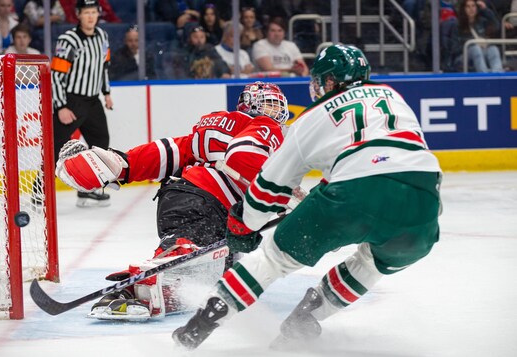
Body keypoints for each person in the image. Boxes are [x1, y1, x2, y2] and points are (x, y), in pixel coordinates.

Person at [173, 44, 442, 350]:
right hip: (424, 204)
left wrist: (245, 224)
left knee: (273, 259)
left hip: (351, 196)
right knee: (372, 263)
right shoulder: (394, 97)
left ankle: (199, 326)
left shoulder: (314, 116)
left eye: (319, 80)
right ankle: (307, 317)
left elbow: (268, 190)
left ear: (329, 82)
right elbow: (389, 157)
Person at [53, 81, 290, 321]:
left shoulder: (216, 125)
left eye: (277, 107)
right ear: (248, 105)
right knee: (182, 250)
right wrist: (276, 194)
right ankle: (133, 289)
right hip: (208, 202)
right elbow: (245, 155)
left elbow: (171, 151)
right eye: (268, 105)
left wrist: (123, 166)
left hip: (180, 196)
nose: (274, 113)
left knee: (214, 273)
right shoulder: (264, 126)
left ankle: (152, 286)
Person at [47, 0, 114, 207]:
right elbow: (56, 75)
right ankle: (39, 192)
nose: (91, 16)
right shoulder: (68, 40)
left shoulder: (102, 36)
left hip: (93, 101)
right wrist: (60, 106)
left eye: (94, 12)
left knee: (101, 142)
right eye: (87, 12)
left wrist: (106, 93)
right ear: (78, 14)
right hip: (72, 101)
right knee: (55, 147)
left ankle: (89, 189)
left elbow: (103, 67)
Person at [456, 0, 504, 72]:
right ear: (463, 9)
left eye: (473, 6)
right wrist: (474, 43)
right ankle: (483, 76)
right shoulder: (457, 25)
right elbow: (455, 48)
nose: (471, 9)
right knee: (475, 49)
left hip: (481, 52)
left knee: (493, 49)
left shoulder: (481, 22)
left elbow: (496, 26)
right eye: (468, 6)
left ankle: (497, 75)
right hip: (462, 56)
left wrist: (485, 9)